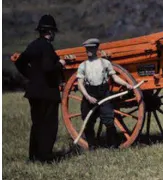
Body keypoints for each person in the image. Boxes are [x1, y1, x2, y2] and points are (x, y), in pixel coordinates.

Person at [15, 15, 66, 162]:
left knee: (37, 124)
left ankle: (33, 157)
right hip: (48, 92)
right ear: (49, 32)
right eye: (53, 32)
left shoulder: (33, 45)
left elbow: (20, 62)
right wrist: (60, 64)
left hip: (34, 92)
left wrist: (31, 75)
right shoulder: (47, 47)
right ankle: (45, 157)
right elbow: (48, 68)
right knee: (49, 125)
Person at [76, 38, 136, 149]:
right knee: (88, 121)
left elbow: (114, 77)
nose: (89, 51)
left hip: (103, 93)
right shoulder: (82, 65)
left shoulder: (105, 63)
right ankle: (92, 146)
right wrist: (88, 97)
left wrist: (126, 84)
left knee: (109, 120)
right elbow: (80, 84)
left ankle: (112, 146)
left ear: (96, 49)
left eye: (91, 48)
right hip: (89, 93)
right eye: (87, 48)